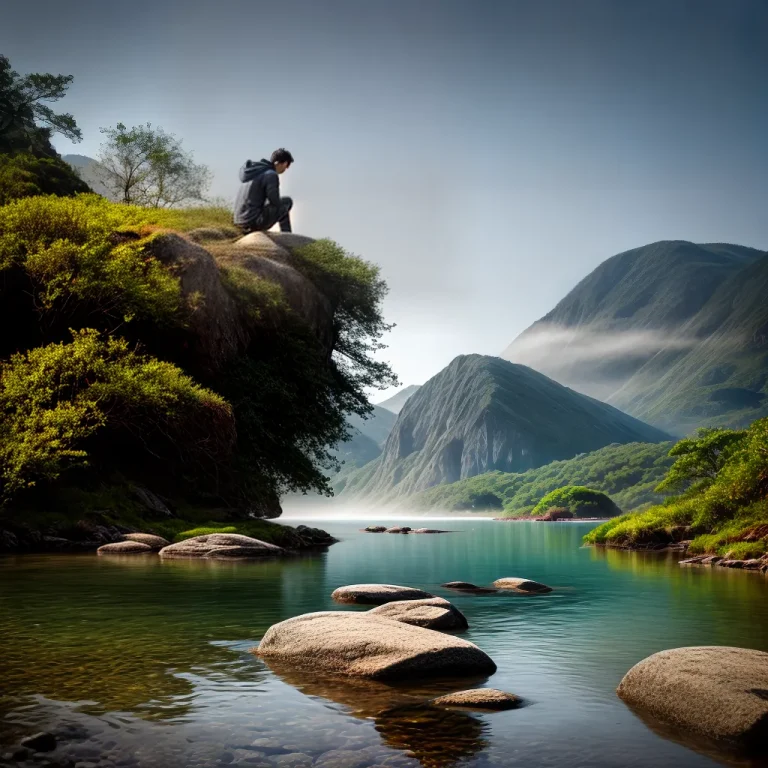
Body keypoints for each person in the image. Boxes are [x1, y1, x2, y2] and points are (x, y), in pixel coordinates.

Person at [233, 148, 294, 234]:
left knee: (275, 204)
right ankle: (287, 235)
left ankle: (287, 234)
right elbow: (274, 200)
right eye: (286, 165)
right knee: (287, 202)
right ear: (278, 163)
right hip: (253, 222)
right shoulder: (271, 174)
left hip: (238, 221)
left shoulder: (254, 172)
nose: (286, 169)